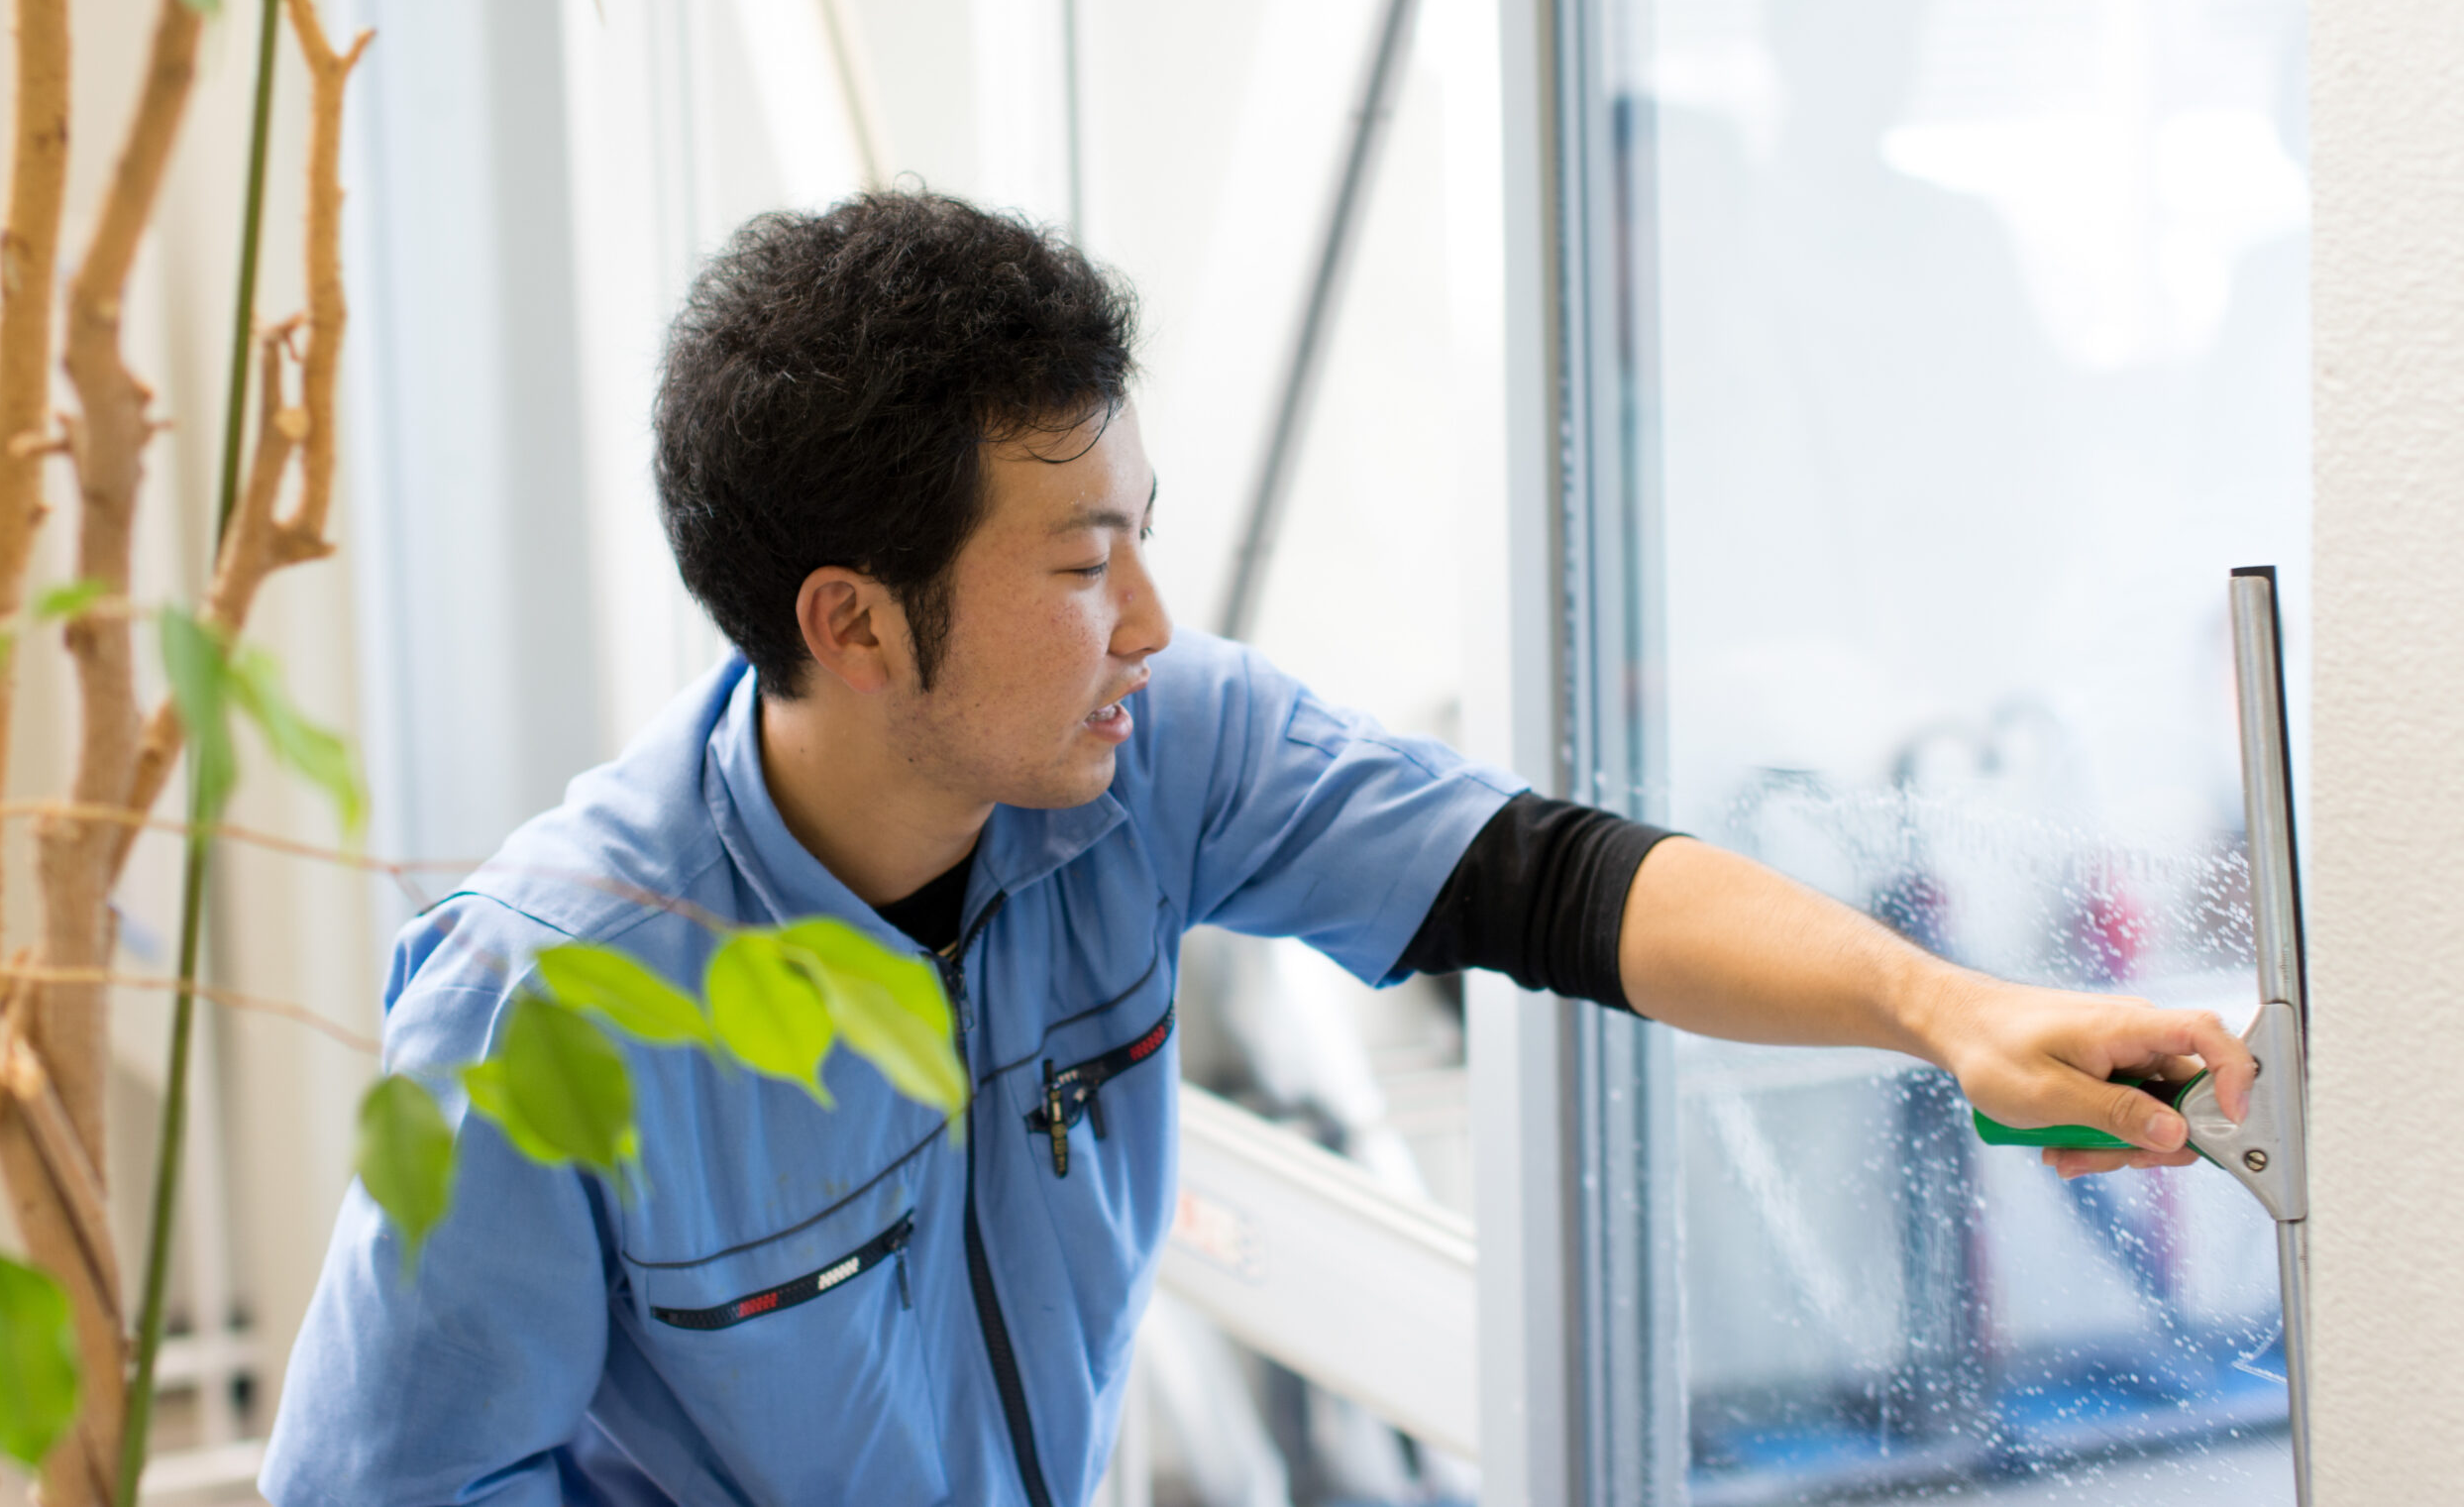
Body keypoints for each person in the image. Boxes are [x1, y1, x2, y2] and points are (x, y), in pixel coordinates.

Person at [261, 192, 2250, 1507]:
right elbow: (394, 1482)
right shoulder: (553, 999)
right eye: (1074, 562)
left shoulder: (1147, 748)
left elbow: (1540, 881)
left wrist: (1943, 1003)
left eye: (1138, 531)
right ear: (853, 621)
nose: (1143, 617)